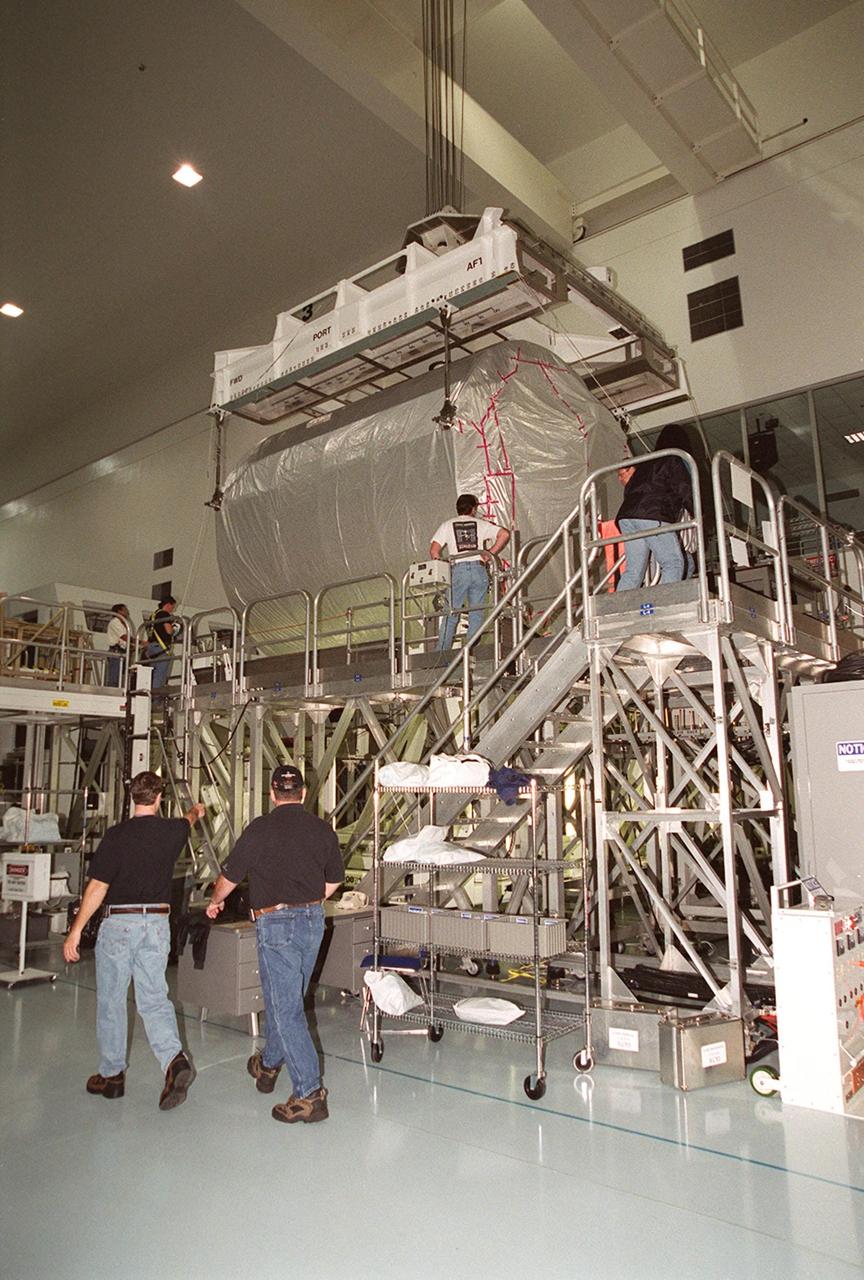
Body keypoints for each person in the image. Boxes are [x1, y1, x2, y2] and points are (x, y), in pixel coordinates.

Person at [206, 764, 343, 1125]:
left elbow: (229, 876)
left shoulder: (259, 829)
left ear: (271, 793)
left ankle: (310, 1093)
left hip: (275, 923)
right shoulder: (321, 829)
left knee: (284, 1010)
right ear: (302, 793)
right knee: (290, 1003)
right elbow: (333, 882)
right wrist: (308, 900)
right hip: (313, 921)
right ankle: (267, 1066)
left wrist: (216, 900)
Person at [63, 771, 205, 1109]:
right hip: (156, 924)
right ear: (159, 798)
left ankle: (112, 1076)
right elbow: (187, 820)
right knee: (154, 998)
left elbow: (97, 888)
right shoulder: (173, 831)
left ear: (132, 798)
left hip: (120, 924)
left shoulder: (116, 836)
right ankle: (174, 1061)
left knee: (112, 999)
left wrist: (76, 929)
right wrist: (196, 811)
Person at [615, 424, 695, 592]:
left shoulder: (645, 463)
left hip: (627, 517)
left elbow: (630, 490)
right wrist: (698, 512)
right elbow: (684, 488)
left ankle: (616, 610)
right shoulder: (674, 457)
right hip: (652, 514)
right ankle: (662, 606)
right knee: (673, 563)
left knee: (633, 571)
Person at [430, 494, 510, 651]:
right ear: (473, 509)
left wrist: (443, 567)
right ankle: (469, 650)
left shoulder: (447, 525)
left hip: (458, 570)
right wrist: (488, 554)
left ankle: (441, 652)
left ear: (458, 508)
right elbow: (505, 534)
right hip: (479, 569)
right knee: (476, 613)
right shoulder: (480, 524)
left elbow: (434, 551)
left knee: (451, 613)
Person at [142, 595, 178, 689]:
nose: (173, 609)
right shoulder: (164, 614)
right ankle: (156, 698)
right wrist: (175, 628)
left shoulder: (153, 615)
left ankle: (150, 694)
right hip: (161, 648)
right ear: (168, 604)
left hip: (152, 647)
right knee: (160, 675)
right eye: (172, 606)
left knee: (152, 673)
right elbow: (169, 631)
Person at [105, 602, 130, 687]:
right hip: (116, 652)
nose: (127, 612)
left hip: (122, 651)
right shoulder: (115, 622)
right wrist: (139, 642)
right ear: (119, 611)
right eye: (125, 610)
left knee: (119, 676)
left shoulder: (123, 624)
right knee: (114, 676)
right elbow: (124, 636)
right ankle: (111, 692)